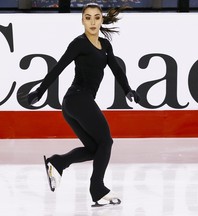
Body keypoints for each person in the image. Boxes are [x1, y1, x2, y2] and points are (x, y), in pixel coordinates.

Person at [27, 3, 140, 207]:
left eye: (96, 17)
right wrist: (40, 91)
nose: (93, 21)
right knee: (106, 142)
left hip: (75, 103)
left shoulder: (105, 45)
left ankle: (57, 162)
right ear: (82, 21)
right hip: (78, 99)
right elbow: (58, 67)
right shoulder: (79, 43)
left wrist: (128, 90)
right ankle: (97, 189)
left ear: (101, 19)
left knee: (95, 148)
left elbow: (116, 70)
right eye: (88, 17)